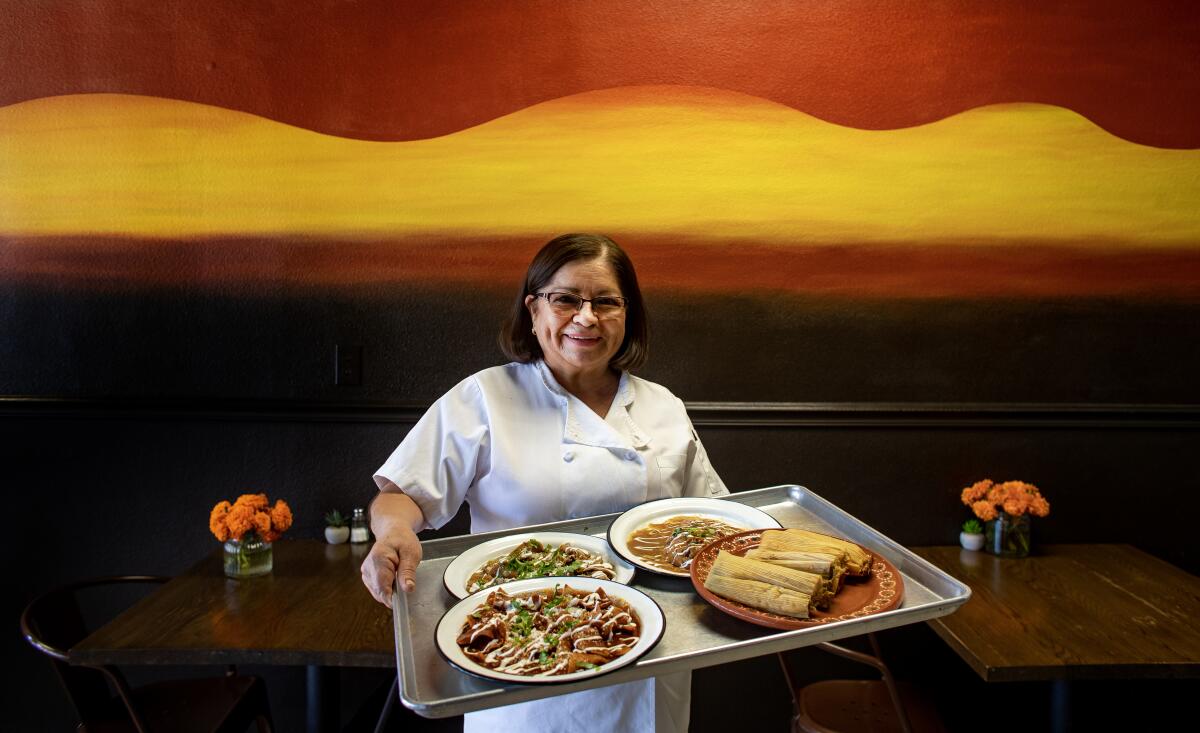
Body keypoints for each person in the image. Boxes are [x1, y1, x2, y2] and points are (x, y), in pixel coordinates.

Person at [361, 232, 728, 733]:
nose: (586, 317)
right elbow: (399, 495)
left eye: (606, 302)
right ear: (533, 311)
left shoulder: (663, 405)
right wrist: (392, 533)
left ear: (628, 314)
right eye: (566, 299)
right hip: (522, 653)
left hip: (647, 650)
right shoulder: (485, 397)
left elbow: (714, 517)